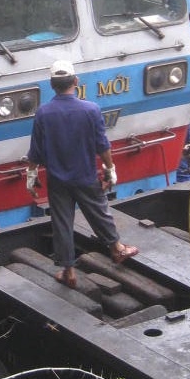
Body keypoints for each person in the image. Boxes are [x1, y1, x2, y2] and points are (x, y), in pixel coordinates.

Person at [27, 59, 137, 289]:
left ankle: (68, 271)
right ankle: (117, 249)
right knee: (99, 211)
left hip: (57, 179)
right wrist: (110, 169)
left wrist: (31, 175)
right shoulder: (91, 110)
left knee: (62, 222)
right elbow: (102, 145)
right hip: (85, 175)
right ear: (76, 82)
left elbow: (35, 150)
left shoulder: (43, 113)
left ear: (52, 84)